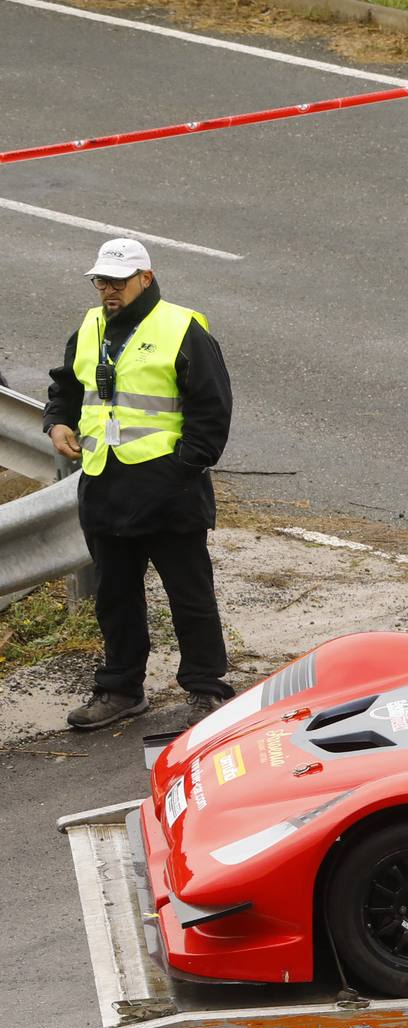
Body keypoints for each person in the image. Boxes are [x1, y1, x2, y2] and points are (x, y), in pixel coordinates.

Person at [43, 238, 235, 730]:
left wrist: (183, 468)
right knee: (115, 594)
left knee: (189, 593)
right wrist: (57, 422)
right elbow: (67, 385)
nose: (109, 290)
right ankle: (120, 688)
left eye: (118, 281)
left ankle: (206, 688)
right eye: (101, 281)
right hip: (106, 483)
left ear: (145, 279)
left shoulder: (180, 328)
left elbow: (211, 408)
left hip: (169, 488)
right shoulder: (90, 327)